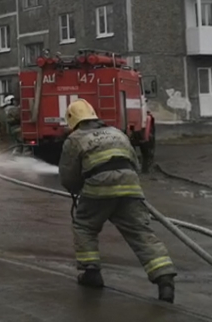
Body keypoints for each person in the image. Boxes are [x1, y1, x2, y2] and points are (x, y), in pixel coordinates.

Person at [58, 99, 176, 303]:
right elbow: (135, 164)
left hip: (98, 187)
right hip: (130, 185)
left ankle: (91, 272)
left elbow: (68, 176)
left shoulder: (75, 138)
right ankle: (164, 279)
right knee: (140, 232)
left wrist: (77, 188)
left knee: (85, 225)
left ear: (72, 120)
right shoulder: (116, 133)